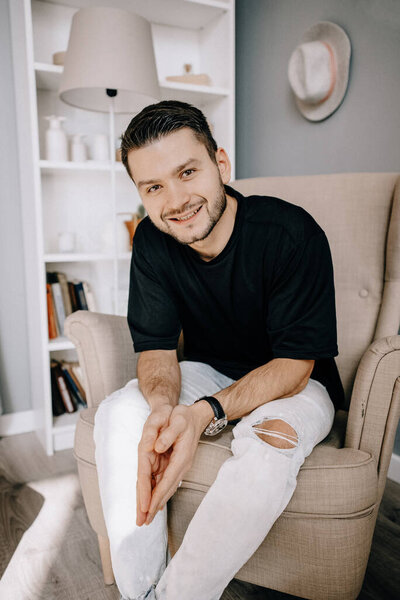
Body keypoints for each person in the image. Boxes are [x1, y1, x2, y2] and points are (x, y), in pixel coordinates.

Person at [93, 100, 345, 600]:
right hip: (209, 370)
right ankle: (141, 593)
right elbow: (158, 349)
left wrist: (204, 413)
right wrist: (165, 411)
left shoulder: (291, 233)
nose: (176, 199)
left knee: (267, 444)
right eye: (154, 187)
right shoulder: (151, 240)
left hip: (297, 381)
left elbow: (297, 364)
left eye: (187, 171)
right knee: (123, 413)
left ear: (221, 165)